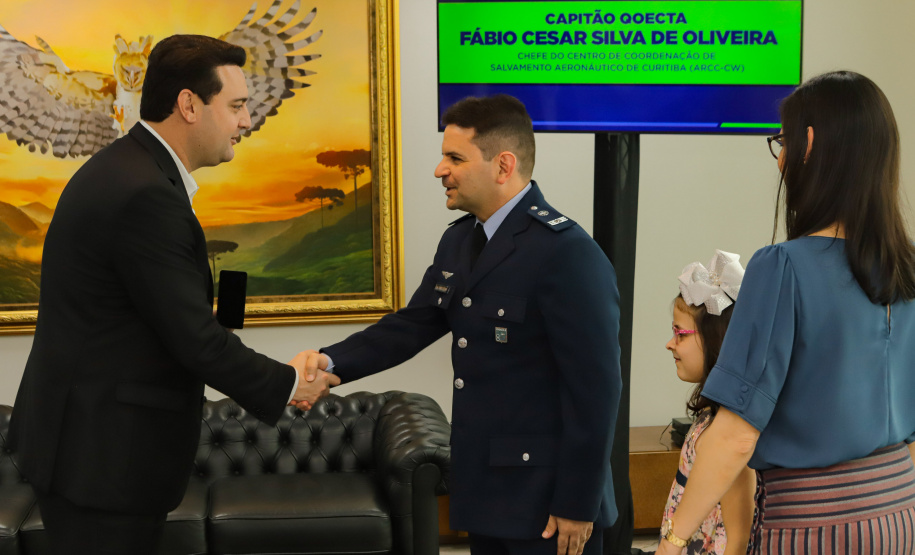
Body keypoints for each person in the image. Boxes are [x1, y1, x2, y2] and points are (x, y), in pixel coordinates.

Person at [8, 34, 338, 555]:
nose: (246, 122)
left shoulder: (131, 170)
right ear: (188, 105)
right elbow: (195, 340)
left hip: (92, 450)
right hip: (102, 460)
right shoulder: (143, 192)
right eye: (236, 106)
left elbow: (157, 319)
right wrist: (290, 383)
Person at [297, 94, 622, 555]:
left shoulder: (566, 254)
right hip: (488, 495)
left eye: (455, 157)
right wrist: (329, 363)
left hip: (548, 506)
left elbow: (596, 392)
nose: (439, 170)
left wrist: (577, 502)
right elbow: (412, 325)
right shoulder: (460, 240)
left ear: (503, 165)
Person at [656, 71, 915, 555]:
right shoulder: (906, 268)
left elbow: (734, 435)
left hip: (814, 527)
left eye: (783, 143)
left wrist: (672, 541)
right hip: (899, 513)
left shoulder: (783, 268)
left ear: (810, 144)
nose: (780, 164)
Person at [660, 250, 754, 555]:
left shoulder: (727, 429)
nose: (670, 343)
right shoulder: (710, 419)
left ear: (716, 340)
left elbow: (739, 538)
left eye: (680, 333)